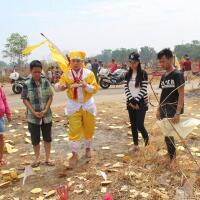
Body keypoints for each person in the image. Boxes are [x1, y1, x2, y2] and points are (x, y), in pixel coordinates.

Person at [55, 51, 99, 167]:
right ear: (70, 62)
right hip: (73, 106)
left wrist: (86, 86)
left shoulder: (89, 74)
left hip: (88, 105)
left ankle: (88, 149)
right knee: (74, 130)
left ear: (82, 62)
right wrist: (61, 87)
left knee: (89, 128)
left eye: (78, 61)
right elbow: (57, 88)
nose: (75, 63)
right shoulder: (66, 74)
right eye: (73, 61)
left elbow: (95, 89)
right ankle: (74, 154)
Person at [21, 60, 54, 167]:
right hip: (33, 117)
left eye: (39, 72)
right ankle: (37, 158)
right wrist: (33, 112)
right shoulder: (26, 83)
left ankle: (48, 158)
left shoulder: (46, 82)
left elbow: (50, 96)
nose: (37, 74)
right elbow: (25, 99)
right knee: (35, 139)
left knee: (47, 138)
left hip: (46, 116)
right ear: (31, 71)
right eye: (35, 72)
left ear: (41, 71)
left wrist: (45, 110)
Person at [157, 49, 185, 167]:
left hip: (173, 108)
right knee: (166, 133)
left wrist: (178, 112)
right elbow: (163, 93)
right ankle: (170, 155)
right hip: (164, 108)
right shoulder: (164, 76)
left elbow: (181, 94)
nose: (161, 64)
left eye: (163, 61)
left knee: (170, 134)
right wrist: (158, 108)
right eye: (160, 62)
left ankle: (173, 159)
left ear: (170, 59)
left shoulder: (177, 75)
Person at [123, 52, 149, 152]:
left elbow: (143, 89)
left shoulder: (143, 73)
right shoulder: (127, 74)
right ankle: (135, 145)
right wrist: (132, 101)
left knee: (139, 125)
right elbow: (126, 88)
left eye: (134, 62)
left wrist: (136, 101)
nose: (132, 64)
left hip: (141, 102)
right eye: (130, 62)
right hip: (130, 102)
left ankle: (147, 143)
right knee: (133, 124)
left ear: (138, 62)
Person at [0, 85, 11, 166]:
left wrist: (8, 113)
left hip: (0, 117)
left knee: (1, 138)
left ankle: (0, 158)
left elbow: (4, 100)